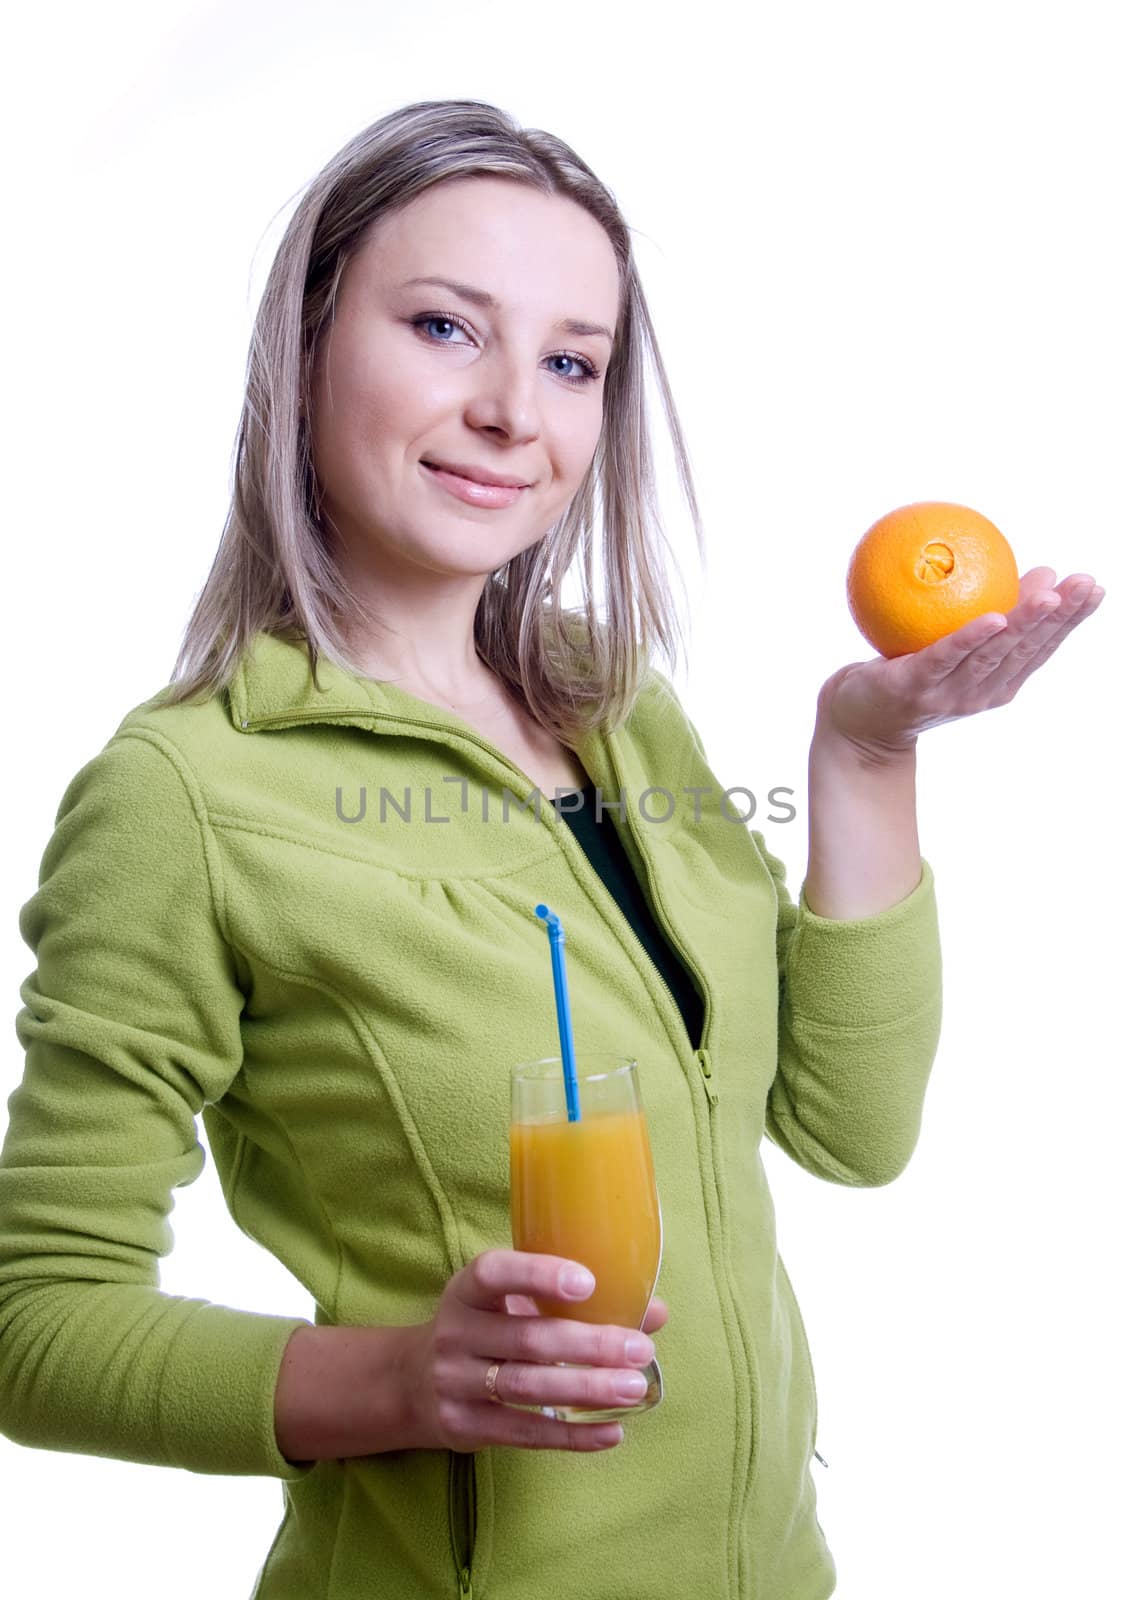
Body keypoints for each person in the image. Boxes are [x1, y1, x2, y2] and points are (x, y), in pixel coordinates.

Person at [0, 98, 1104, 1600]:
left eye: (572, 361)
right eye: (449, 328)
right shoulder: (185, 796)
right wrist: (407, 1383)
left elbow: (852, 1129)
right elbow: (36, 1327)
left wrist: (867, 751)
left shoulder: (614, 707)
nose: (517, 411)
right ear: (308, 344)